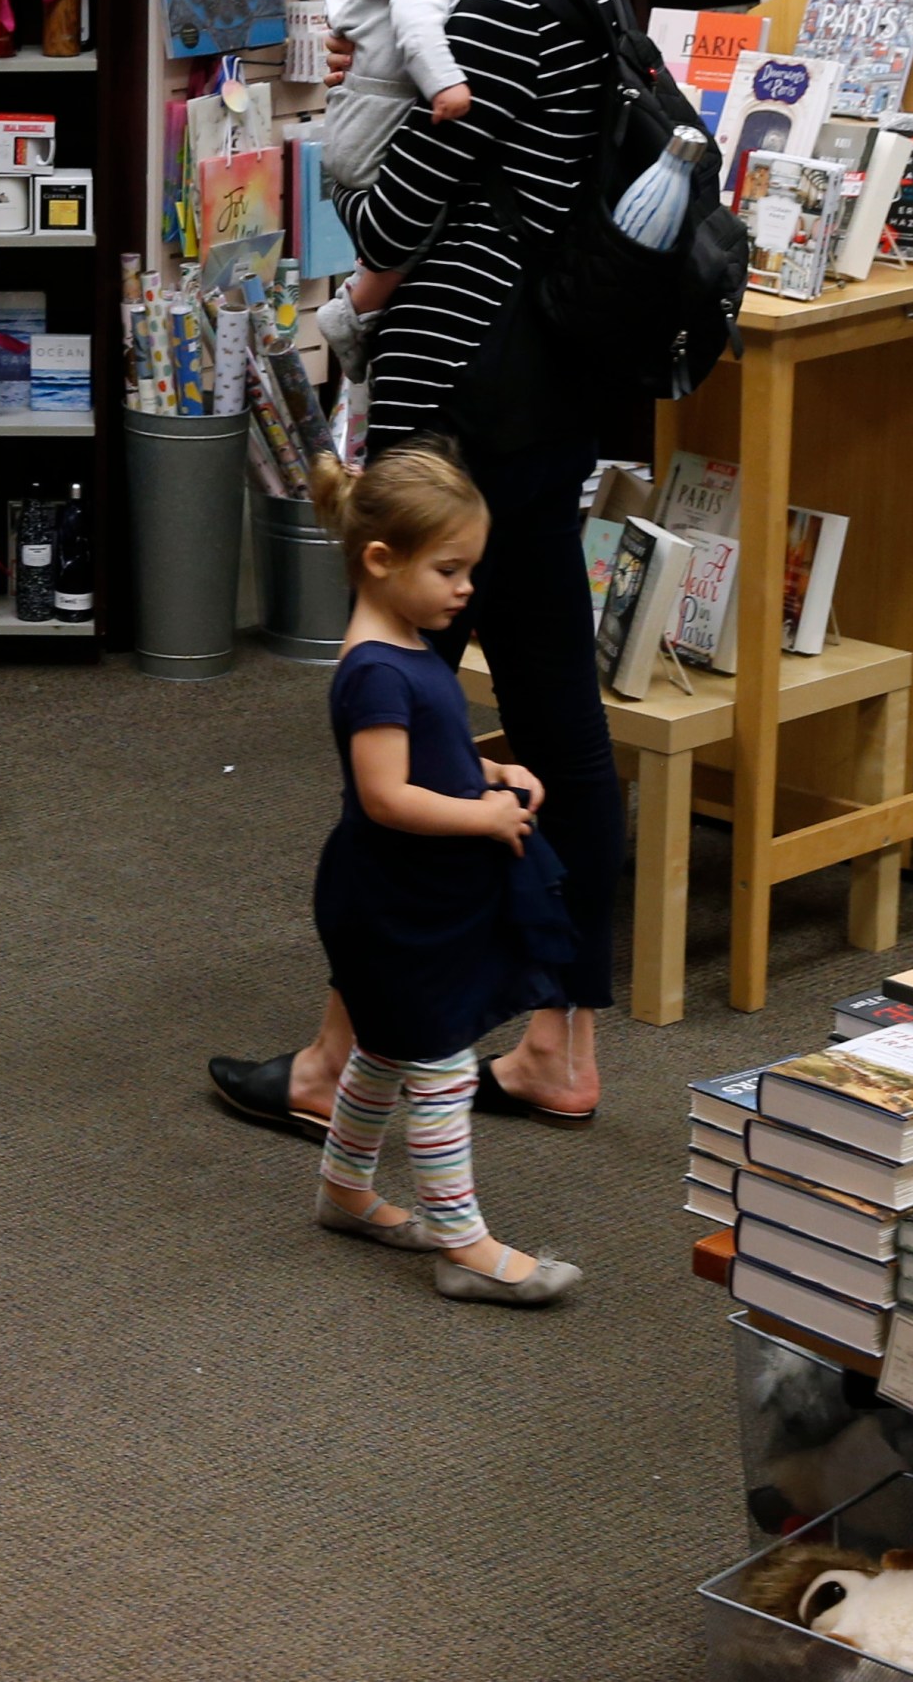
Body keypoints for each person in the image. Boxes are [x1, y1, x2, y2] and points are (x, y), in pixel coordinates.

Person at [210, 0, 634, 1136]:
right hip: (542, 387)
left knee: (389, 712)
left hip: (466, 391)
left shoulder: (508, 13)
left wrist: (366, 103)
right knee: (554, 718)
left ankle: (344, 1062)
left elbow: (386, 217)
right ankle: (558, 1044)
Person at [304, 444, 579, 1306]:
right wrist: (484, 816)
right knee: (441, 1067)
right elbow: (385, 795)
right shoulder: (377, 670)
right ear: (380, 562)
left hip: (413, 896)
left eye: (471, 568)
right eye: (449, 568)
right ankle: (462, 1242)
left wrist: (490, 777)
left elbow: (431, 762)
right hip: (398, 902)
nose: (466, 588)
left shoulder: (406, 646)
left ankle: (346, 1189)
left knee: (387, 1049)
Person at [311, 0, 471, 409]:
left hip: (347, 128)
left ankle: (360, 301)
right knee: (431, 216)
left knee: (390, 222)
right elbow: (416, 26)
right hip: (385, 119)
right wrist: (446, 82)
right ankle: (353, 312)